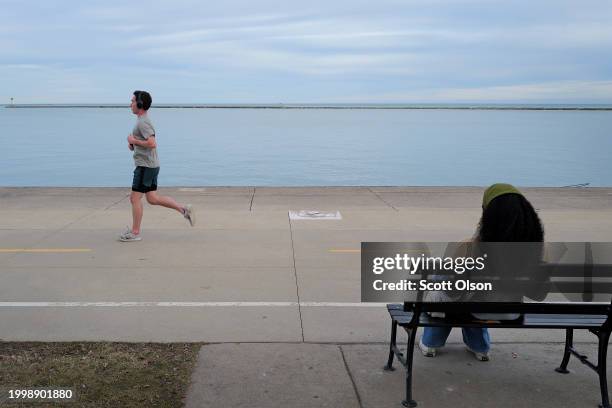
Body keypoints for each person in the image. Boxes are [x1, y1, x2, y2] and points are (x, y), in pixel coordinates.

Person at [418, 183, 544, 361]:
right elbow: (538, 294)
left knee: (448, 290)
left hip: (468, 306)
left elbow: (452, 291)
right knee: (477, 296)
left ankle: (432, 342)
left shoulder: (469, 248)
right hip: (507, 310)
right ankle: (480, 346)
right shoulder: (535, 250)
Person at [119, 90, 195, 242]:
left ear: (140, 104)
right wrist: (134, 145)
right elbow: (146, 143)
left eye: (133, 101)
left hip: (145, 166)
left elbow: (152, 143)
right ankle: (184, 210)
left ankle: (135, 233)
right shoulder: (142, 121)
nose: (130, 104)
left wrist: (134, 141)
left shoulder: (143, 122)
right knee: (152, 198)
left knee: (134, 199)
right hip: (151, 165)